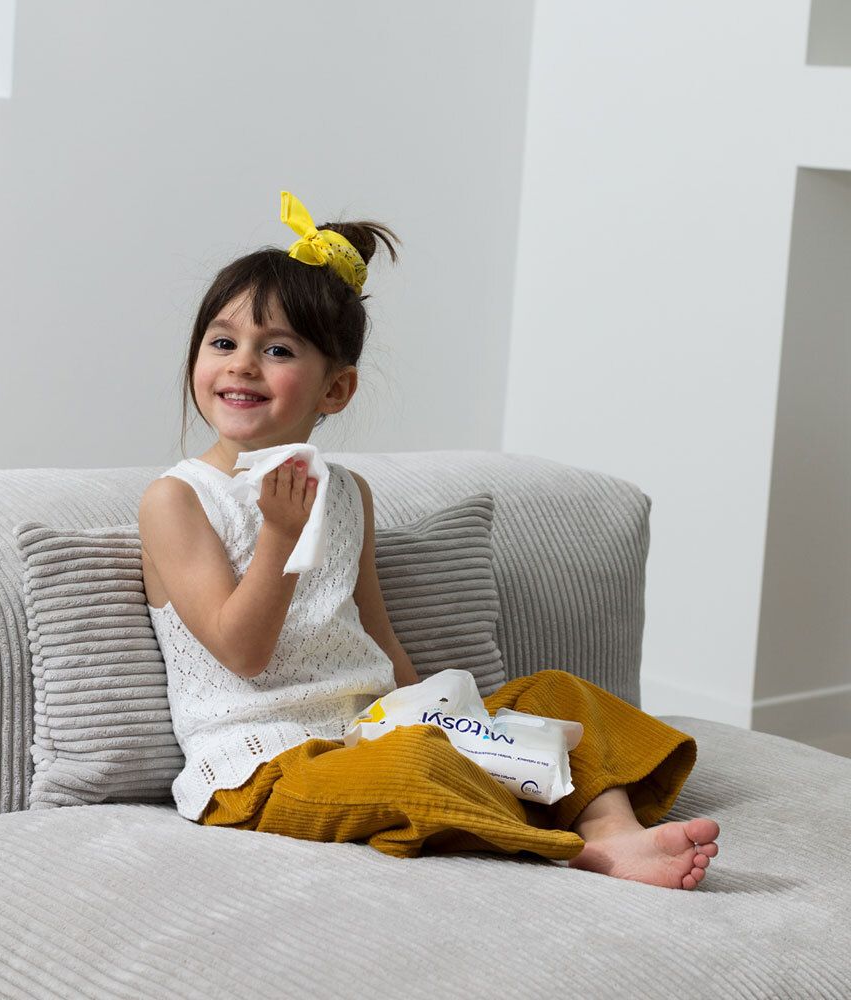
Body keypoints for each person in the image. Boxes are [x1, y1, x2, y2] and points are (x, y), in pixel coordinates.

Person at [139, 190, 720, 889]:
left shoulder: (348, 493)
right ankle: (572, 848)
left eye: (278, 349)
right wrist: (280, 537)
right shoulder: (177, 502)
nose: (241, 365)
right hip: (262, 766)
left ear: (335, 391)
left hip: (377, 727)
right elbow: (243, 653)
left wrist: (449, 717)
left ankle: (613, 829)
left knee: (560, 698)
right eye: (223, 343)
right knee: (416, 769)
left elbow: (380, 641)